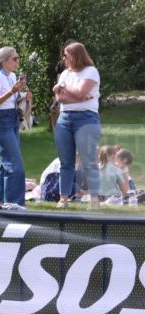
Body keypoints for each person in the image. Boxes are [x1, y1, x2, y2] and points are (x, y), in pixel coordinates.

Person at [52, 41, 102, 209]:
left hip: (86, 119)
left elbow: (80, 92)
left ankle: (95, 200)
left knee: (89, 160)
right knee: (65, 161)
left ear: (76, 56)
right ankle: (63, 198)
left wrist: (64, 87)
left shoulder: (91, 71)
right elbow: (59, 98)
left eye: (66, 55)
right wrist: (79, 97)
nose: (63, 58)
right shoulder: (65, 73)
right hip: (64, 118)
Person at [0, 46, 32, 210]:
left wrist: (23, 95)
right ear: (4, 61)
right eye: (15, 59)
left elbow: (11, 98)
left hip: (11, 118)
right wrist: (13, 91)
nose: (17, 61)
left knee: (6, 163)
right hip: (1, 120)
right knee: (14, 164)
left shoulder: (11, 75)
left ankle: (4, 202)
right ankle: (14, 204)